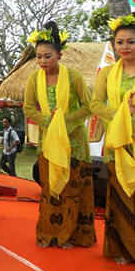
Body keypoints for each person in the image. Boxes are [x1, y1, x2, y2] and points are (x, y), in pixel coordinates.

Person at [23, 21, 95, 249]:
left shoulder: (74, 78)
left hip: (74, 142)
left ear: (59, 55)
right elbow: (28, 108)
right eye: (39, 56)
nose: (43, 61)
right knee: (51, 188)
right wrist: (49, 122)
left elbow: (88, 106)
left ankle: (73, 235)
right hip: (49, 141)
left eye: (48, 56)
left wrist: (64, 121)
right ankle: (50, 234)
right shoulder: (34, 79)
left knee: (73, 190)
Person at [90, 13, 135, 264]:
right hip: (117, 143)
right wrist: (120, 113)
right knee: (119, 198)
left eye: (131, 42)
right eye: (120, 42)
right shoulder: (107, 74)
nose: (125, 47)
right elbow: (96, 104)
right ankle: (123, 249)